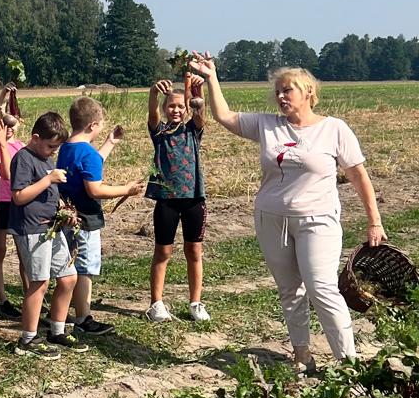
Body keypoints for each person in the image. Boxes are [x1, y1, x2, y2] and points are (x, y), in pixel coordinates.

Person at [189, 56, 386, 370]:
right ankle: (302, 355)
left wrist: (374, 220)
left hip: (318, 220)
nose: (280, 97)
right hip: (272, 219)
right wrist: (212, 78)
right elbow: (224, 116)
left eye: (287, 90)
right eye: (278, 91)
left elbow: (359, 176)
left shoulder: (334, 129)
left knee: (321, 288)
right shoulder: (267, 125)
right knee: (290, 289)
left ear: (308, 92)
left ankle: (349, 363)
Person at [57, 97, 143, 334]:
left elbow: (90, 163)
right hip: (86, 220)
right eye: (101, 126)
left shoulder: (66, 148)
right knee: (84, 270)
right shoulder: (88, 154)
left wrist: (109, 143)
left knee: (69, 266)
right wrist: (126, 189)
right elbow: (94, 189)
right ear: (92, 125)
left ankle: (62, 313)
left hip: (67, 217)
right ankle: (83, 318)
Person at [9, 112, 77, 357]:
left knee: (69, 277)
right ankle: (27, 339)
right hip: (32, 229)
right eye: (50, 146)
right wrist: (48, 179)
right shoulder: (24, 159)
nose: (52, 151)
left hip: (52, 228)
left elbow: (52, 195)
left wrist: (64, 210)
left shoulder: (46, 159)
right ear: (35, 137)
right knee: (39, 282)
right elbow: (18, 197)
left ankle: (56, 330)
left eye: (56, 148)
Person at [146, 74, 209, 323]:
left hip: (194, 199)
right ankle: (156, 304)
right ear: (164, 108)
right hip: (167, 200)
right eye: (171, 105)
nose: (176, 109)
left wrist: (197, 94)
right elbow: (152, 114)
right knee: (163, 251)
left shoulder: (193, 131)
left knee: (194, 251)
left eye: (180, 106)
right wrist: (153, 92)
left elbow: (200, 113)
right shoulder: (160, 132)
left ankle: (195, 302)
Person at [0, 113, 24, 315]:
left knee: (23, 252)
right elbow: (1, 170)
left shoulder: (20, 146)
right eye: (2, 125)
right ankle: (2, 299)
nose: (7, 128)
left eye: (10, 125)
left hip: (16, 200)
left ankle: (31, 295)